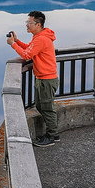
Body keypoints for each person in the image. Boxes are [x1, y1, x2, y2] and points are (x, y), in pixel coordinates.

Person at [6, 11, 59, 147]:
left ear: (38, 24)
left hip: (47, 79)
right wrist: (17, 41)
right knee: (41, 106)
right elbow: (30, 49)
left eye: (29, 23)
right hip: (43, 78)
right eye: (27, 22)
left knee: (47, 108)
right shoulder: (39, 36)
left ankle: (52, 136)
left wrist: (13, 44)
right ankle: (53, 132)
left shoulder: (41, 39)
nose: (27, 25)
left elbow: (27, 55)